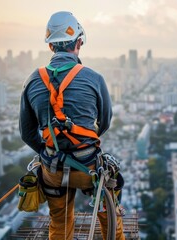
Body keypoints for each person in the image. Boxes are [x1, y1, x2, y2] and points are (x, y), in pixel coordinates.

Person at [19, 11, 125, 240]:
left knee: (59, 224)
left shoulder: (32, 81)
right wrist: (83, 141)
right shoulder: (94, 78)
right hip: (89, 168)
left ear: (50, 47)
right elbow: (104, 122)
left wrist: (49, 152)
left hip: (52, 170)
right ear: (78, 42)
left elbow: (27, 133)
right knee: (111, 221)